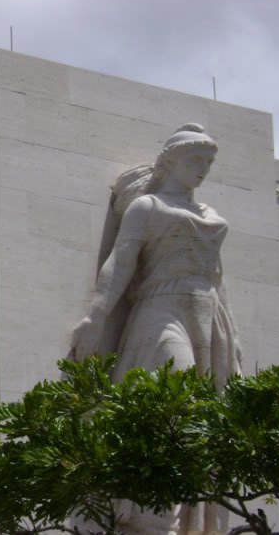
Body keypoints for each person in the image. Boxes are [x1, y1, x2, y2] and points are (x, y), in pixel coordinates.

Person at [71, 123, 242, 534]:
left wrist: (233, 338)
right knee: (173, 400)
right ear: (170, 162)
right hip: (161, 310)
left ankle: (185, 518)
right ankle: (150, 513)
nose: (202, 169)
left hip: (210, 317)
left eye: (208, 162)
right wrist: (96, 317)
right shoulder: (146, 208)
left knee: (206, 422)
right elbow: (120, 263)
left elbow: (217, 279)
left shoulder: (212, 216)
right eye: (194, 160)